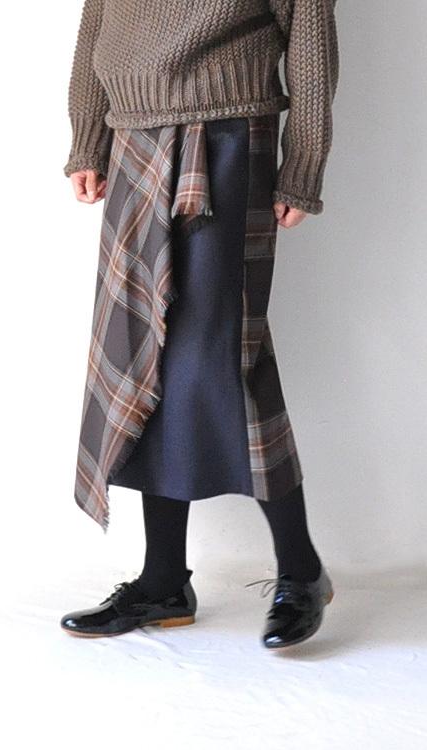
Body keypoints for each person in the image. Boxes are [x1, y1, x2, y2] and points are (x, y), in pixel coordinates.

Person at [59, 0, 339, 649]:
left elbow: (311, 44)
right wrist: (87, 138)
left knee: (221, 356)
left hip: (226, 134)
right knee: (144, 352)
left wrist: (302, 166)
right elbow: (97, 20)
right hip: (133, 136)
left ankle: (301, 568)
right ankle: (163, 581)